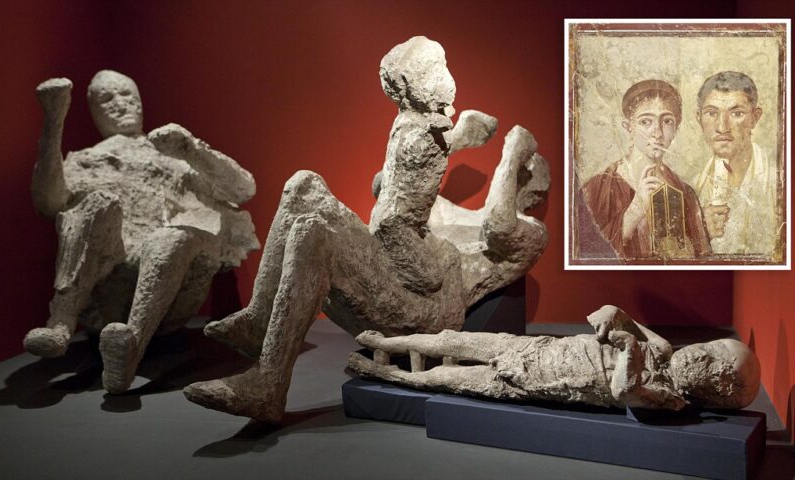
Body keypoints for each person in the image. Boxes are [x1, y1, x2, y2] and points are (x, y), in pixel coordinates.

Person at [183, 36, 548, 423]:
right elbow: (389, 187)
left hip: (433, 307)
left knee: (313, 234)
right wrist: (454, 140)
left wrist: (513, 151)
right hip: (408, 268)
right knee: (304, 184)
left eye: (522, 171)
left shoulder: (530, 232)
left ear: (534, 188)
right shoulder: (452, 209)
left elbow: (496, 225)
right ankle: (259, 320)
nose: (510, 176)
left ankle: (267, 386)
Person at [24, 70, 259, 394]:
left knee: (171, 236)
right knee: (96, 204)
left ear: (140, 101)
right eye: (108, 99)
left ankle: (130, 346)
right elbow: (48, 202)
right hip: (104, 280)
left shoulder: (167, 154)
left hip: (167, 280)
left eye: (127, 95)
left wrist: (191, 149)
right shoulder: (86, 160)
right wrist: (54, 120)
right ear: (94, 111)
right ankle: (61, 322)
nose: (120, 103)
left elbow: (243, 189)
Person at [350, 305, 761, 411]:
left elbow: (624, 391)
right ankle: (388, 342)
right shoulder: (663, 348)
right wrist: (611, 314)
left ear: (717, 388)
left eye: (711, 360)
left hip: (536, 383)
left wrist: (628, 350)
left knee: (443, 379)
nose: (699, 352)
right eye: (708, 347)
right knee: (449, 341)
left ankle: (380, 373)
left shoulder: (669, 399)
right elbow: (622, 318)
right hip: (536, 348)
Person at [581, 80, 710, 260]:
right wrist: (635, 210)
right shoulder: (596, 190)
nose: (657, 132)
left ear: (676, 128)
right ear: (629, 127)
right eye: (645, 122)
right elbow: (585, 253)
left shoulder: (686, 194)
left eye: (667, 121)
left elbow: (702, 258)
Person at [692, 71, 778, 257]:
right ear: (699, 117)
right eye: (711, 113)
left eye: (737, 113)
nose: (722, 127)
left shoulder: (778, 183)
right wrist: (697, 232)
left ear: (755, 117)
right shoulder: (693, 188)